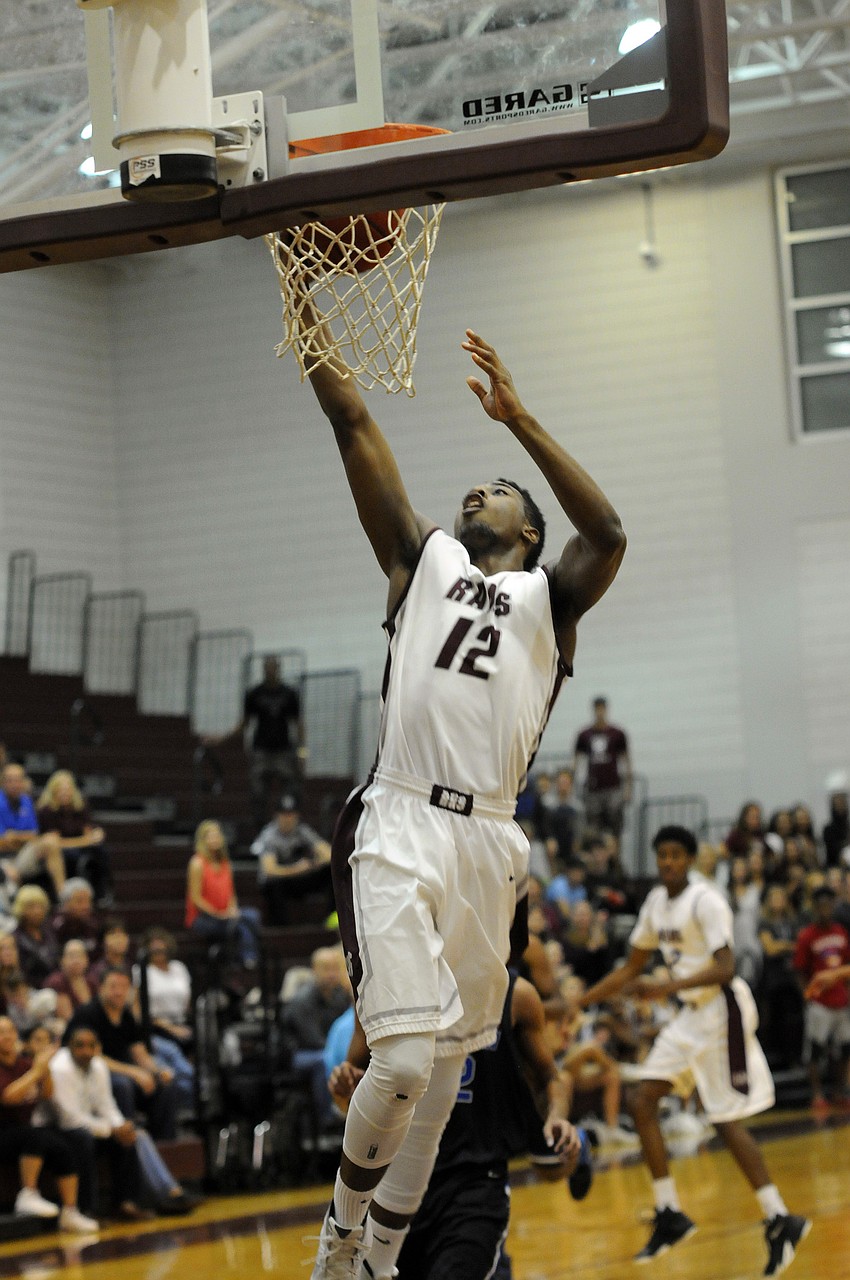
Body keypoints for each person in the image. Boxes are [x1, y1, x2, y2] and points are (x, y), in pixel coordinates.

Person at [302, 320, 626, 1280]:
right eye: (469, 490)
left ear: (528, 531)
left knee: (447, 1064)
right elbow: (351, 419)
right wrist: (305, 319)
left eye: (498, 491)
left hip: (490, 837)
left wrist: (518, 415)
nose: (472, 492)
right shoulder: (420, 562)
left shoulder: (551, 599)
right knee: (402, 1062)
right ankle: (339, 1244)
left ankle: (381, 1261)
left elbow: (606, 532)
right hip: (401, 811)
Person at [580, 825, 810, 1276]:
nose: (667, 862)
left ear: (689, 859)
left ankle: (780, 1217)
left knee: (724, 1120)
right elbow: (631, 967)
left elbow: (725, 969)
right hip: (689, 1015)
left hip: (722, 1013)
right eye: (661, 855)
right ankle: (670, 1213)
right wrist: (574, 1002)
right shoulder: (654, 904)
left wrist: (666, 985)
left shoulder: (706, 900)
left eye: (676, 855)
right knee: (641, 1101)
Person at [329, 973, 587, 1280]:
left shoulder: (515, 994)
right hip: (396, 1182)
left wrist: (557, 1116)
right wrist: (343, 1090)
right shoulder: (385, 985)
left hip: (475, 1180)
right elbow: (350, 1093)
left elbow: (551, 1076)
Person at [48, 1026, 197, 1218]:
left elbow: (106, 1106)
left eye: (91, 1046)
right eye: (80, 1046)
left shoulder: (98, 1065)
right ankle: (87, 1209)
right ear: (69, 1047)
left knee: (129, 1136)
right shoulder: (60, 1068)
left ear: (98, 1048)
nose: (86, 1051)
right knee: (82, 1140)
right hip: (57, 1128)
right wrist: (112, 1130)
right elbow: (69, 1119)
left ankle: (126, 1203)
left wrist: (120, 1126)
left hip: (90, 1125)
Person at [0, 1015, 97, 1231]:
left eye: (10, 1030)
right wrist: (36, 1071)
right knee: (33, 1136)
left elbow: (47, 1094)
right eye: (1, 1031)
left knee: (62, 1145)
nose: (7, 1035)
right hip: (3, 1132)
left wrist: (45, 1070)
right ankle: (28, 1194)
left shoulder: (23, 1063)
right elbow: (8, 1097)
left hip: (20, 1132)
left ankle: (70, 1211)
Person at [65, 967, 179, 1140]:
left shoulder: (126, 1015)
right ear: (101, 988)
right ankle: (128, 1140)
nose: (118, 992)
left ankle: (164, 1143)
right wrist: (134, 1072)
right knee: (123, 1085)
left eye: (123, 987)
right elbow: (92, 1056)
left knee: (164, 1084)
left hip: (124, 1070)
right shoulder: (87, 1013)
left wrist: (157, 1071)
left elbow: (139, 1052)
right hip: (91, 1072)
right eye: (113, 986)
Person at [221, 655, 304, 828]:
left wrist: (302, 751)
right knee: (258, 791)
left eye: (273, 667)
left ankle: (287, 824)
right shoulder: (254, 693)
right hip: (261, 750)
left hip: (283, 749)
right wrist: (222, 738)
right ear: (263, 670)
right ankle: (260, 826)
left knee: (290, 788)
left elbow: (298, 724)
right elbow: (245, 723)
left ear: (278, 669)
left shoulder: (289, 694)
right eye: (267, 668)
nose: (270, 671)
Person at [792, 885, 850, 1112]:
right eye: (821, 906)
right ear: (815, 908)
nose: (825, 910)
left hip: (841, 1000)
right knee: (816, 1049)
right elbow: (798, 969)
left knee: (844, 1049)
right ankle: (817, 1094)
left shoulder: (841, 932)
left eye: (828, 905)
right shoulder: (807, 935)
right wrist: (808, 996)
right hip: (820, 1002)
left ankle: (840, 1091)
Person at [281, 946, 352, 1130]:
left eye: (335, 968)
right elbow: (312, 1040)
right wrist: (340, 1051)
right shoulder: (302, 1000)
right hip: (301, 1054)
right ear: (314, 970)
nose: (331, 974)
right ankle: (328, 1117)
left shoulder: (339, 996)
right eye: (326, 968)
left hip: (326, 1048)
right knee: (324, 1060)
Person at [185, 820, 260, 970]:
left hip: (226, 914)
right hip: (203, 917)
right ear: (202, 840)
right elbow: (196, 898)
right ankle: (248, 958)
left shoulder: (225, 862)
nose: (214, 839)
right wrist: (218, 914)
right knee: (240, 924)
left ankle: (247, 958)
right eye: (210, 836)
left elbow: (231, 893)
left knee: (252, 915)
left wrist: (232, 909)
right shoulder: (197, 863)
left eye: (216, 835)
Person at [250, 792, 333, 925]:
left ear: (296, 815)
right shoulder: (269, 836)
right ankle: (282, 928)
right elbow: (270, 870)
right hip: (277, 882)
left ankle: (333, 918)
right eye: (284, 814)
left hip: (297, 879)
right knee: (273, 885)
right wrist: (298, 868)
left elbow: (329, 854)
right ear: (277, 815)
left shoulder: (302, 830)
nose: (288, 818)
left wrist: (313, 863)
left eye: (291, 814)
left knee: (330, 871)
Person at [35, 771, 112, 905]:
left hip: (78, 846)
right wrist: (84, 840)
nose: (65, 793)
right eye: (60, 790)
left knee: (101, 850)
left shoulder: (80, 806)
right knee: (72, 855)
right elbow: (54, 842)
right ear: (53, 791)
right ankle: (63, 897)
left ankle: (101, 892)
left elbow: (89, 832)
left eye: (68, 789)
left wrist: (96, 834)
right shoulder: (47, 810)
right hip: (59, 850)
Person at [0, 763, 66, 901]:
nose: (14, 784)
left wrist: (15, 837)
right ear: (2, 782)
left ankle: (63, 897)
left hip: (23, 855)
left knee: (50, 841)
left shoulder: (26, 801)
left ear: (24, 782)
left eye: (18, 780)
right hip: (3, 858)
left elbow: (34, 835)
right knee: (9, 872)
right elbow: (2, 842)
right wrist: (21, 838)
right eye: (10, 780)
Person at [571, 697, 632, 841]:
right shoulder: (585, 735)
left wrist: (628, 787)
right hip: (593, 787)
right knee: (593, 827)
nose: (599, 712)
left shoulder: (617, 734)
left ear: (606, 710)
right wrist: (572, 782)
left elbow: (626, 760)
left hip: (613, 787)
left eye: (602, 709)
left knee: (615, 826)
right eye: (597, 709)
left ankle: (615, 860)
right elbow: (577, 760)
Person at [12, 884, 60, 987]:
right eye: (31, 907)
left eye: (40, 906)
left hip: (56, 984)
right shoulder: (15, 938)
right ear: (21, 909)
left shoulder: (50, 931)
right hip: (32, 987)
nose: (37, 911)